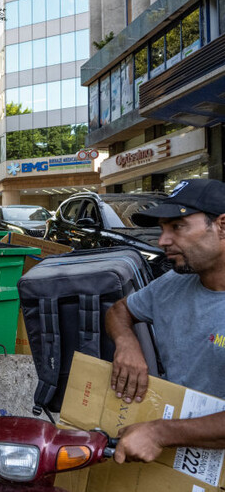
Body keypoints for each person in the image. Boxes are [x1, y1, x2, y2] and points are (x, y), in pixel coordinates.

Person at [105, 178, 225, 464]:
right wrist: (126, 343)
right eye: (162, 229)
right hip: (186, 458)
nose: (162, 241)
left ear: (222, 226)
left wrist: (159, 433)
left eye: (177, 226)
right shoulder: (173, 284)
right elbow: (119, 311)